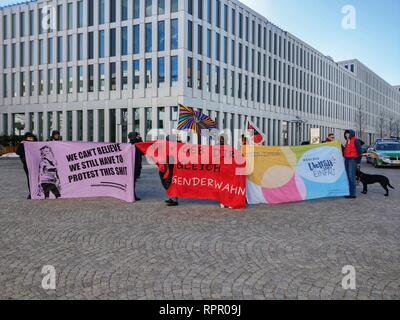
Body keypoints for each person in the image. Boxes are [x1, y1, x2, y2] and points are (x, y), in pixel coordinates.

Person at [343, 129, 363, 199]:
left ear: (351, 134)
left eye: (348, 133)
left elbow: (360, 152)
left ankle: (352, 194)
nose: (346, 135)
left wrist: (358, 162)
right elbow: (345, 151)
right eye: (345, 134)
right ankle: (348, 192)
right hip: (346, 159)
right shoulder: (347, 141)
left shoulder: (356, 141)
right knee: (347, 176)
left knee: (351, 177)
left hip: (352, 160)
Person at [16, 132, 35, 199]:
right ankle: (31, 193)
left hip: (35, 164)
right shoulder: (23, 144)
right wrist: (21, 144)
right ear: (26, 138)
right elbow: (18, 152)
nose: (30, 139)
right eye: (29, 137)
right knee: (30, 178)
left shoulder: (35, 144)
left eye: (31, 137)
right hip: (27, 164)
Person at [128, 132, 143, 201]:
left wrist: (140, 140)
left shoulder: (138, 145)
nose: (139, 137)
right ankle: (132, 195)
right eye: (138, 136)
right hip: (132, 166)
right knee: (131, 181)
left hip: (137, 166)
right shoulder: (130, 146)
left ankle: (132, 194)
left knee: (133, 181)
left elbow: (143, 152)